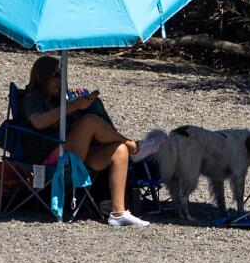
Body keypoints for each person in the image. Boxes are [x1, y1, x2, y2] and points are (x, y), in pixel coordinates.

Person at [20, 56, 157, 227]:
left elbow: (71, 125)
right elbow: (38, 122)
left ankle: (118, 212)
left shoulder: (58, 101)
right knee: (90, 121)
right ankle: (135, 147)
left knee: (118, 150)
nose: (60, 80)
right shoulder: (31, 99)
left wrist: (78, 108)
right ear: (41, 77)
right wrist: (73, 106)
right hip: (48, 160)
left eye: (62, 76)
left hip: (70, 154)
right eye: (56, 75)